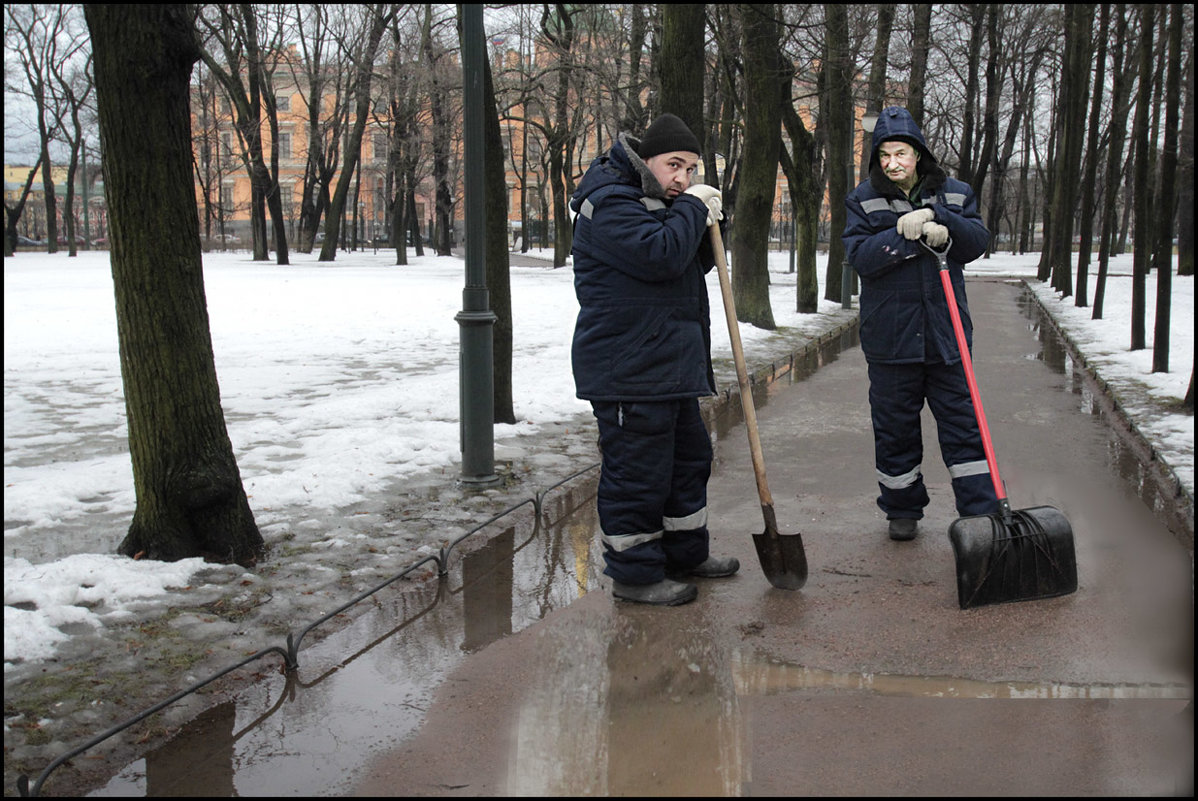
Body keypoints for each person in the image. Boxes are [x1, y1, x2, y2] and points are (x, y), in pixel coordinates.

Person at [570, 112, 739, 606]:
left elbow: (689, 262)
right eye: (674, 165)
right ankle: (636, 574)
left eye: (691, 170)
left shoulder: (656, 203)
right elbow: (660, 254)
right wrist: (690, 209)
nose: (683, 178)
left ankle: (684, 553)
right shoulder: (609, 202)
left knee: (688, 461)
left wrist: (711, 224)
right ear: (645, 160)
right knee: (637, 474)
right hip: (628, 369)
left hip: (669, 365)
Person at [843, 106, 1000, 541]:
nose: (893, 163)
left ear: (919, 154)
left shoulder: (955, 192)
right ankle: (902, 508)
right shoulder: (862, 199)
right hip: (891, 341)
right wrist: (902, 235)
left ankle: (980, 512)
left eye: (902, 153)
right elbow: (861, 259)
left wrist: (943, 225)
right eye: (885, 155)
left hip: (947, 337)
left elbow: (977, 244)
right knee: (895, 430)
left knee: (964, 428)